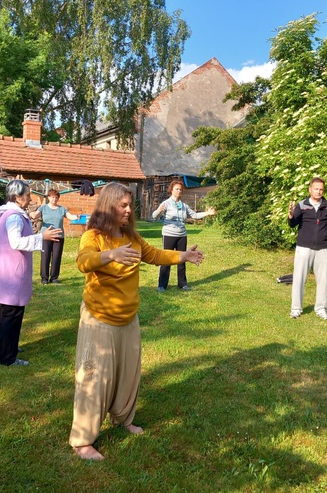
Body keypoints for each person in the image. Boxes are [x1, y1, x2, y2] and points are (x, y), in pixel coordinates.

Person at [69, 182, 204, 460]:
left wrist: (183, 256)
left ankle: (123, 418)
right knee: (95, 378)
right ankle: (82, 441)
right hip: (100, 319)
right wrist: (110, 255)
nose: (129, 210)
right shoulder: (93, 236)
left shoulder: (131, 236)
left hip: (128, 317)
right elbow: (83, 262)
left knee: (129, 373)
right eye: (123, 205)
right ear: (109, 206)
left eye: (130, 205)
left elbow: (154, 255)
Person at [0, 180, 63, 366]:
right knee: (11, 314)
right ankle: (6, 357)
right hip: (11, 273)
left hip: (4, 271)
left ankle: (1, 347)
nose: (30, 198)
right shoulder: (14, 217)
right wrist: (41, 237)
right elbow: (16, 242)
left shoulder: (10, 213)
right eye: (27, 195)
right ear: (18, 197)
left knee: (2, 313)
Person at [288, 177, 327, 321]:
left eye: (321, 189)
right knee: (299, 279)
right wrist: (291, 215)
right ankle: (296, 309)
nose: (318, 191)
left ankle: (321, 308)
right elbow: (292, 224)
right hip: (303, 248)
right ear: (310, 189)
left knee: (323, 280)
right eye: (316, 189)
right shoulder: (302, 205)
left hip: (323, 248)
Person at [151, 180, 215, 292]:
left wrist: (207, 213)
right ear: (171, 190)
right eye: (176, 189)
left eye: (180, 189)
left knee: (182, 259)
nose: (179, 191)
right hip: (169, 235)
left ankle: (182, 284)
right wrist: (159, 211)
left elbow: (194, 215)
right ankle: (162, 285)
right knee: (166, 259)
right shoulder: (166, 203)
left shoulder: (184, 206)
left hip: (182, 235)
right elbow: (154, 216)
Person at [37, 189, 78, 284]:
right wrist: (31, 214)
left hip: (59, 236)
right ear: (48, 198)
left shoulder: (62, 209)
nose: (54, 199)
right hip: (46, 236)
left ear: (58, 198)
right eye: (52, 197)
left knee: (56, 257)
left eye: (56, 197)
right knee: (45, 257)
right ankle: (44, 278)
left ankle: (54, 278)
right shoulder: (43, 208)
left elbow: (70, 216)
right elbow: (35, 215)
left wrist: (76, 217)